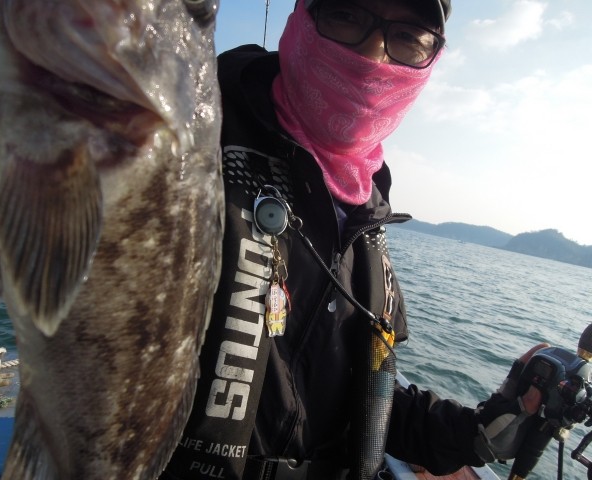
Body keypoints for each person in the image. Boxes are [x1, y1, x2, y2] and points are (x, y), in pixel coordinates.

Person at [162, 1, 545, 479]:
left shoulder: (367, 214)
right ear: (303, 15)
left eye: (408, 38)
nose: (373, 54)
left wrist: (479, 432)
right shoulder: (182, 136)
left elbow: (365, 397)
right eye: (346, 13)